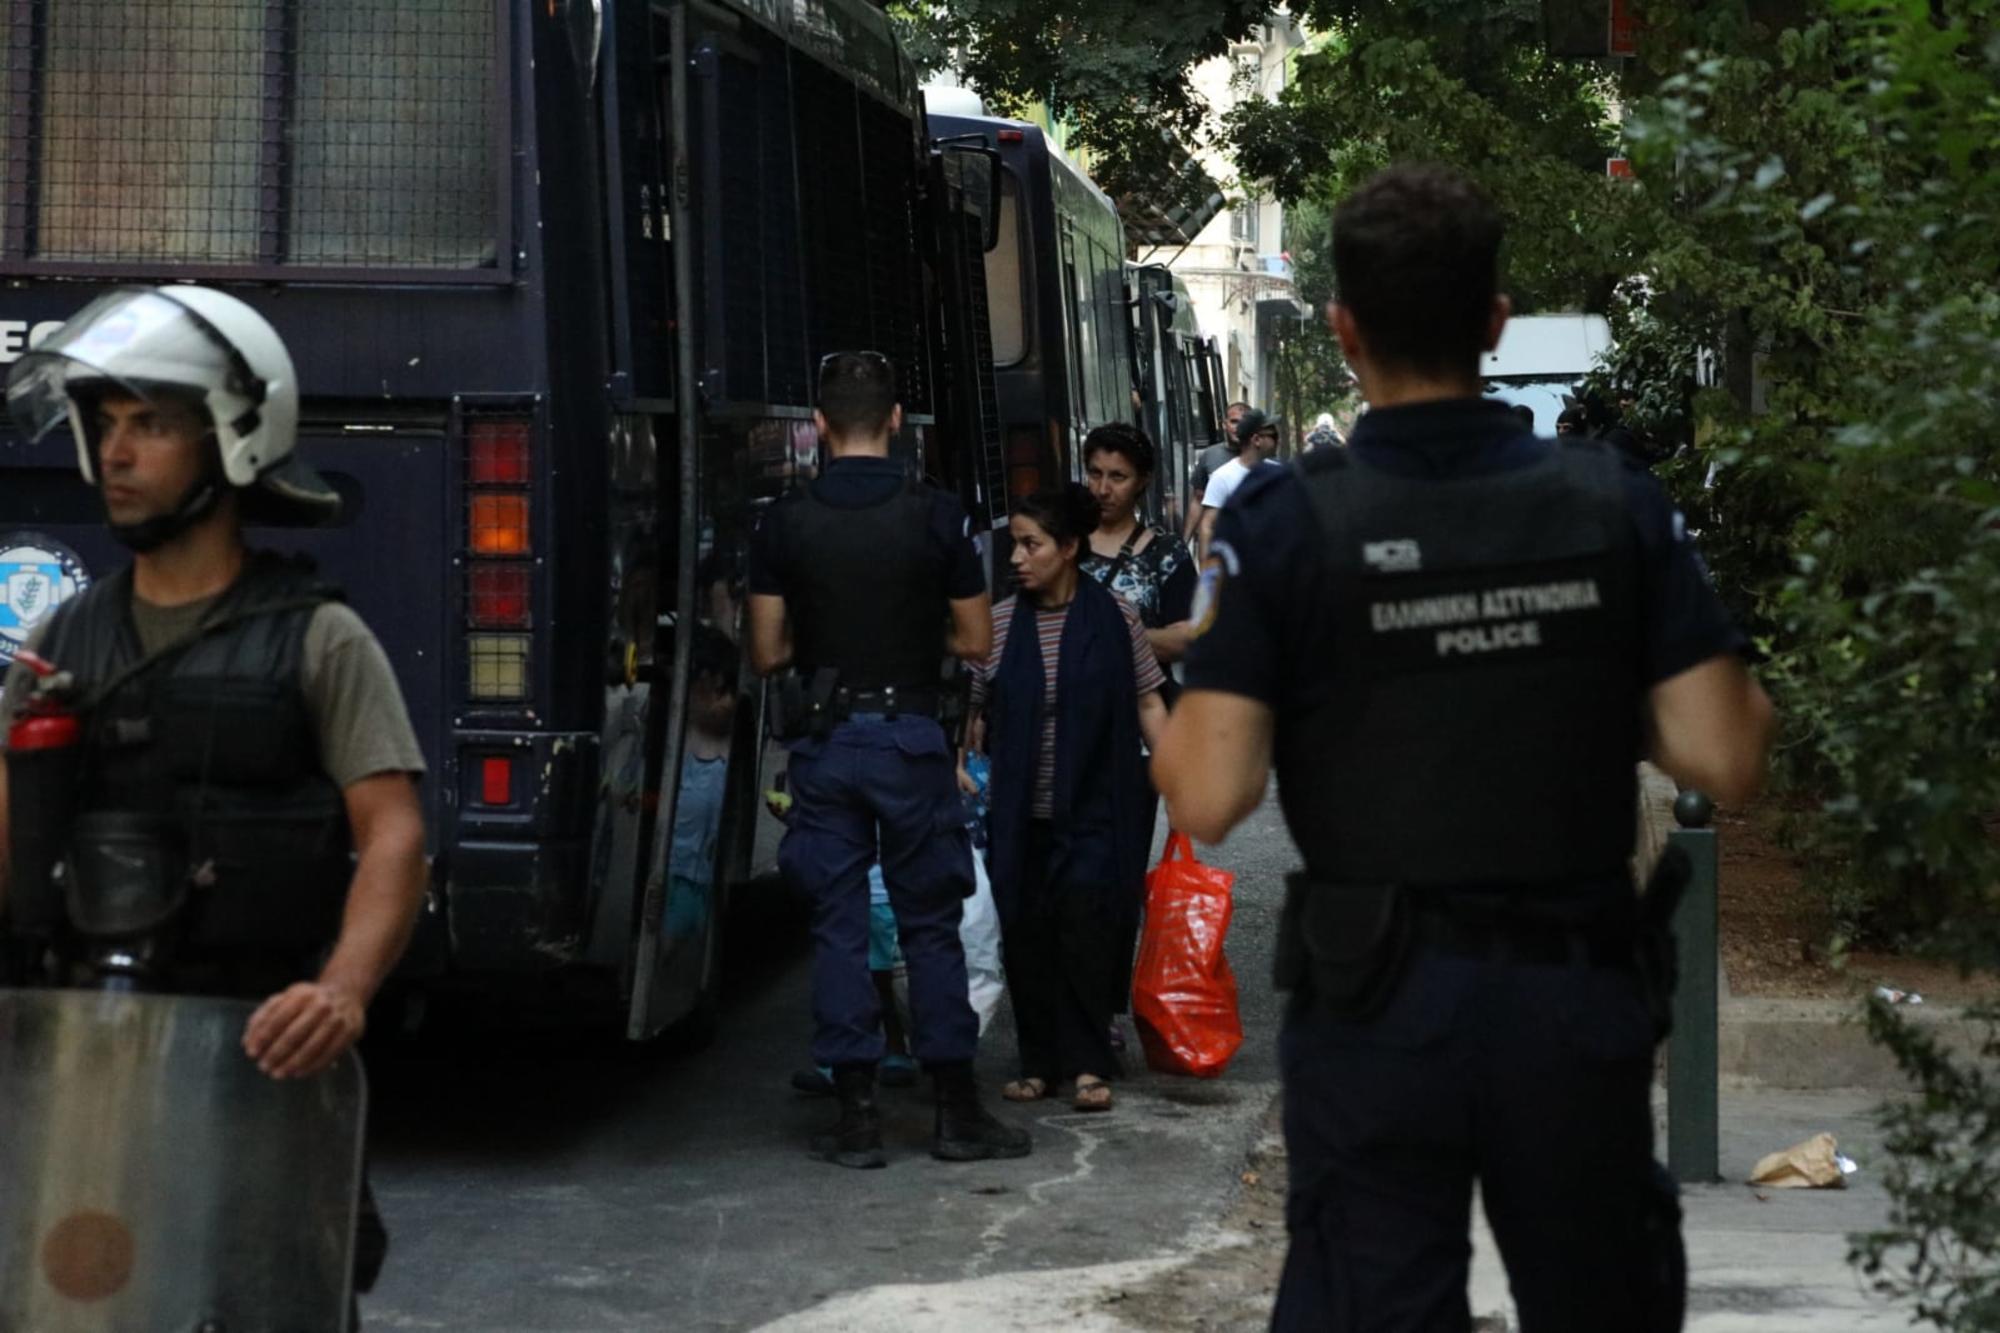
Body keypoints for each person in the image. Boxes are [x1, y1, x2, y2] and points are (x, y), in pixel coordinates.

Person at [1152, 165, 1776, 1331]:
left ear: (1341, 331)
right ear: (1492, 321)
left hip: (1377, 1005)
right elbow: (1724, 757)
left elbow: (1207, 792)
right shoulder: (1608, 502)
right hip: (1571, 992)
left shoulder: (1287, 521)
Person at [0, 286, 429, 1306]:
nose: (115, 451)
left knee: (267, 1298)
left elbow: (396, 837)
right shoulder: (61, 643)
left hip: (256, 1059)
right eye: (104, 424)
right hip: (89, 1066)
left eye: (149, 423)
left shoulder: (318, 637)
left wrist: (342, 991)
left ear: (234, 439)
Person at [748, 350, 1029, 1169]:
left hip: (827, 743)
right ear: (899, 421)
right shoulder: (937, 517)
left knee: (839, 927)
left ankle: (858, 1118)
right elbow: (977, 639)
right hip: (912, 738)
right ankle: (954, 1112)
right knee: (930, 926)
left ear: (820, 426)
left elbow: (767, 652)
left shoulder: (784, 522)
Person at [965, 484, 1168, 1114]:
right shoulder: (998, 625)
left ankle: (1087, 1063)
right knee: (1027, 935)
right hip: (1019, 813)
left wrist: (1176, 770)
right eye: (1015, 546)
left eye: (1032, 545)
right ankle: (1038, 1063)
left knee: (1088, 931)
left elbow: (1146, 700)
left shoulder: (1117, 619)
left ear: (1070, 548)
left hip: (1098, 807)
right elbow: (973, 714)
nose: (1018, 559)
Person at [1081, 422, 1198, 670]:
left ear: (1142, 481)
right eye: (1095, 474)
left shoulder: (1166, 554)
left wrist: (1104, 639)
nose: (1103, 489)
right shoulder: (1061, 544)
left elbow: (1189, 640)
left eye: (1118, 477)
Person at [1198, 407, 1281, 552]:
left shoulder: (1280, 474)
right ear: (1256, 440)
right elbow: (1208, 527)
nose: (1277, 440)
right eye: (1273, 435)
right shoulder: (1222, 477)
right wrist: (1207, 572)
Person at [1184, 400, 1251, 544]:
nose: (1238, 427)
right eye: (1234, 422)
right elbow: (1198, 499)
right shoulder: (1210, 455)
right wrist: (1184, 542)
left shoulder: (1262, 459)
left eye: (1244, 423)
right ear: (1224, 424)